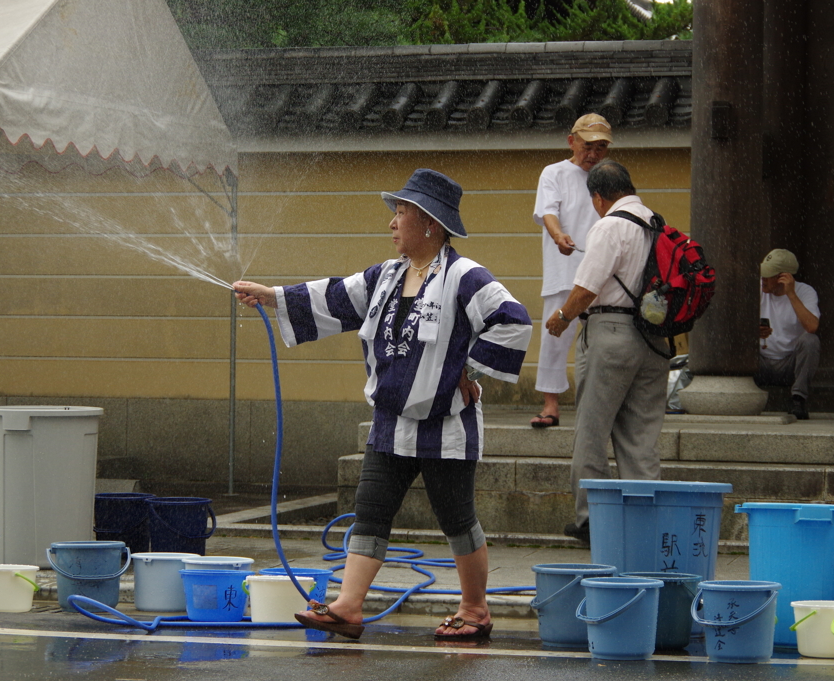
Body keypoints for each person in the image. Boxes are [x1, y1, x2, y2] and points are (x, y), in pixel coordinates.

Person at [233, 169, 532, 641]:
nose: (392, 222)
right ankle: (349, 607)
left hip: (446, 424)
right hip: (391, 422)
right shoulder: (386, 276)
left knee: (456, 518)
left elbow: (514, 321)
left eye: (401, 212)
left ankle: (475, 609)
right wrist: (270, 296)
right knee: (370, 510)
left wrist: (469, 371)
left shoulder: (464, 276)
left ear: (430, 223)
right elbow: (332, 298)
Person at [544, 159, 668, 546]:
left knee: (592, 431)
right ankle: (644, 518)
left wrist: (561, 317)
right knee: (640, 436)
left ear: (598, 197)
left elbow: (586, 288)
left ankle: (591, 520)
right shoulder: (657, 225)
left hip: (611, 333)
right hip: (654, 338)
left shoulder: (610, 226)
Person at [529, 113, 612, 428]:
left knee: (603, 340)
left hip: (601, 271)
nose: (592, 153)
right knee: (554, 335)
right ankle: (551, 405)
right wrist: (557, 235)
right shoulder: (554, 173)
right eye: (587, 145)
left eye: (600, 147)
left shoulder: (609, 176)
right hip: (564, 268)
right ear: (571, 141)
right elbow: (547, 210)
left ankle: (600, 407)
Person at [755, 249, 820, 420]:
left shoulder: (806, 292)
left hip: (790, 364)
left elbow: (812, 326)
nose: (763, 280)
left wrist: (791, 294)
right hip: (759, 362)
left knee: (810, 341)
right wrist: (752, 332)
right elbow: (735, 327)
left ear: (784, 277)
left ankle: (798, 399)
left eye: (768, 276)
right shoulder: (757, 289)